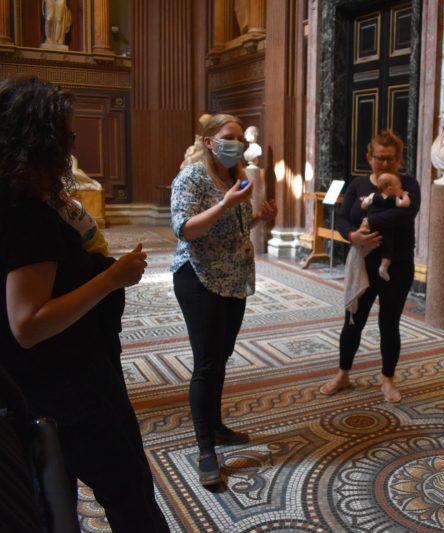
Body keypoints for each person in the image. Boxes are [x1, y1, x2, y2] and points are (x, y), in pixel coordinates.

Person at [0, 76, 169, 531]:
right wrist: (112, 278)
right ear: (43, 141)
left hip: (40, 385)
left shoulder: (20, 203)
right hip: (71, 387)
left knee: (57, 497)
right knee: (129, 492)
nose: (73, 146)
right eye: (68, 136)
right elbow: (28, 323)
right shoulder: (29, 218)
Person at [170, 113, 277, 486]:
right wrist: (227, 205)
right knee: (206, 363)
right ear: (210, 141)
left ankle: (216, 426)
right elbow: (185, 229)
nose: (238, 145)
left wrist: (258, 218)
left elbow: (232, 226)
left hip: (234, 278)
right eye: (229, 137)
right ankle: (205, 451)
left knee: (221, 356)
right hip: (199, 278)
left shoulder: (237, 177)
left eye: (240, 139)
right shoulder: (192, 177)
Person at [320, 129, 421, 404]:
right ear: (369, 157)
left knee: (389, 324)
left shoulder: (408, 184)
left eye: (389, 158)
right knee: (353, 322)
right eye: (379, 158)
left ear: (398, 158)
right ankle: (343, 374)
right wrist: (352, 235)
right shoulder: (357, 185)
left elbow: (403, 216)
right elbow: (342, 218)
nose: (384, 163)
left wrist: (369, 223)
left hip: (396, 265)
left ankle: (387, 379)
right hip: (362, 263)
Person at [360, 172, 412, 281]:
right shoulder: (394, 199)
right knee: (388, 248)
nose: (401, 189)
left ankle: (361, 258)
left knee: (367, 240)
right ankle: (383, 267)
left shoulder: (373, 195)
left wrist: (365, 202)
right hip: (386, 227)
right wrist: (405, 195)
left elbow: (363, 206)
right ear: (390, 189)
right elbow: (406, 204)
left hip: (370, 224)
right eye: (399, 187)